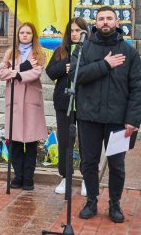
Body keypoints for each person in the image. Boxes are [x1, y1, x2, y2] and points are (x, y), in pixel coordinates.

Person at [73, 6, 141, 223]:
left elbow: (137, 88)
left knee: (117, 165)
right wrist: (104, 65)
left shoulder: (130, 52)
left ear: (117, 23)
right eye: (101, 18)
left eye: (109, 18)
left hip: (118, 120)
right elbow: (76, 76)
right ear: (95, 22)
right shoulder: (83, 48)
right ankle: (91, 201)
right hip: (88, 118)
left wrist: (132, 120)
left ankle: (115, 204)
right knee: (88, 163)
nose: (105, 22)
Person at [0, 22, 46, 191]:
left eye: (28, 33)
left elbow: (35, 73)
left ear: (33, 35)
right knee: (15, 142)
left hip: (31, 103)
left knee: (31, 143)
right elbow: (1, 73)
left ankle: (28, 177)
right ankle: (18, 176)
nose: (24, 35)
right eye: (22, 33)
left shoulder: (39, 54)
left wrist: (16, 73)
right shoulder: (10, 52)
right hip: (15, 102)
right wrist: (21, 68)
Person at [46, 17, 89, 196]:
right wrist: (66, 66)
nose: (74, 34)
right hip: (64, 103)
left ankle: (88, 179)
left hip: (86, 104)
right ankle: (66, 177)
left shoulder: (91, 50)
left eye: (78, 30)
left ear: (85, 32)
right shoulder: (61, 50)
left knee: (87, 143)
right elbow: (50, 72)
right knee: (65, 142)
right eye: (71, 31)